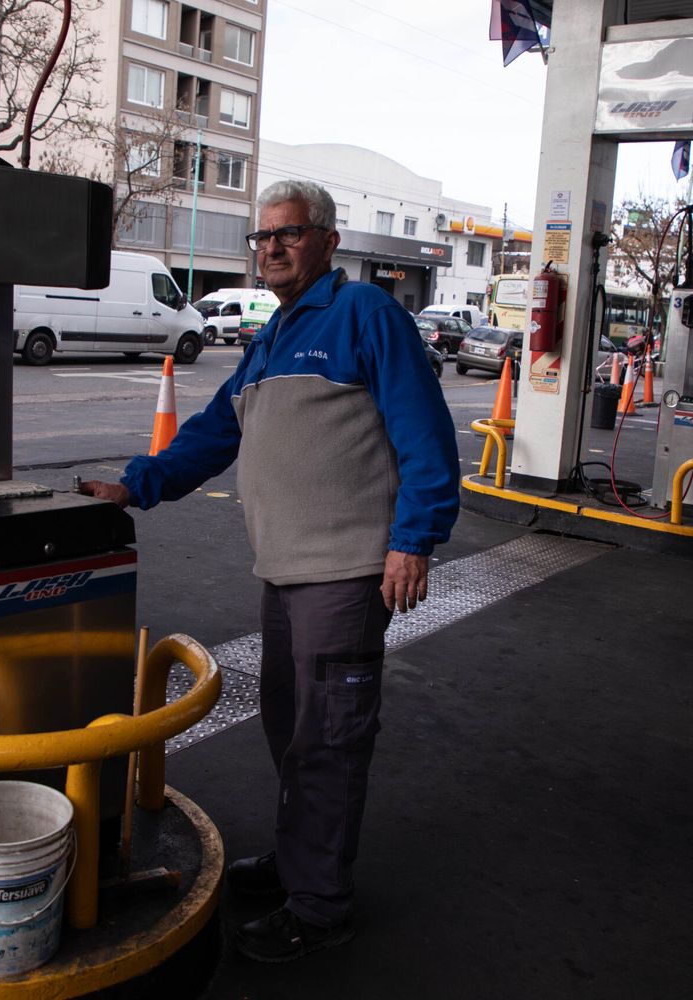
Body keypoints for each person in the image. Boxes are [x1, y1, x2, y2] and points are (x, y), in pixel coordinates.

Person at [81, 179, 459, 962]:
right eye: (263, 237)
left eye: (290, 233)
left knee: (329, 739)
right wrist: (137, 485)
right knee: (292, 731)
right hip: (285, 573)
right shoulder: (272, 338)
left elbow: (424, 431)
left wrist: (414, 539)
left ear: (327, 241)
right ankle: (297, 862)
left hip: (347, 572)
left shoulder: (364, 314)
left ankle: (319, 905)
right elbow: (212, 433)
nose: (273, 248)